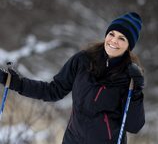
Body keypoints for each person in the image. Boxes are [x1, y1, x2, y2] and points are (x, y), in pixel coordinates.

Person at [0, 12, 145, 144]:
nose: (114, 40)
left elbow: (133, 126)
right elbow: (53, 90)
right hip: (72, 140)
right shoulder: (83, 60)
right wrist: (16, 83)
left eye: (122, 38)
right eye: (112, 34)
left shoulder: (129, 76)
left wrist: (137, 92)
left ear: (128, 46)